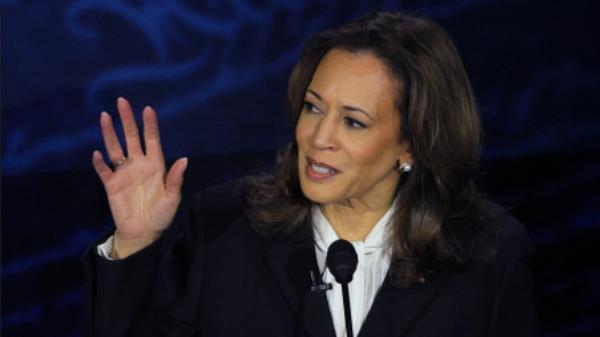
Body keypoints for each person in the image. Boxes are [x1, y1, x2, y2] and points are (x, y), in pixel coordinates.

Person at [85, 11, 538, 337]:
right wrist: (136, 244)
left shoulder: (489, 253)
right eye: (313, 107)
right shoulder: (223, 227)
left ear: (412, 143)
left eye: (353, 121)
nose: (318, 136)